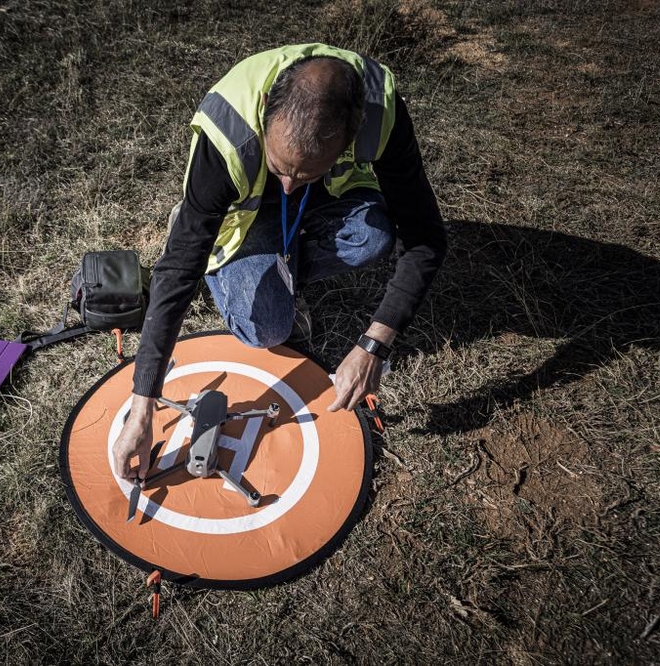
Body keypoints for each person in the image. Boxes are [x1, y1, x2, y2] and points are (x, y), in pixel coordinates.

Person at [113, 43, 446, 481]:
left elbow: (425, 238)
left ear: (350, 134)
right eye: (280, 166)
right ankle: (207, 229)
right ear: (268, 107)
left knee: (374, 236)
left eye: (305, 172)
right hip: (245, 217)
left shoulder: (380, 111)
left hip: (326, 201)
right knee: (267, 329)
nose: (288, 184)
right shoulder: (227, 132)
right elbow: (177, 271)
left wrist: (373, 346)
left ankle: (283, 257)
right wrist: (142, 407)